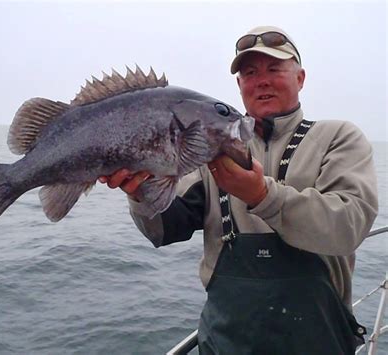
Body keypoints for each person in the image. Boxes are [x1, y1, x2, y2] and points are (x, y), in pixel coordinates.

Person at [100, 26, 378, 354]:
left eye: (274, 69)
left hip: (318, 340)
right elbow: (165, 228)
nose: (261, 80)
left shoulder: (338, 137)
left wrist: (262, 195)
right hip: (224, 342)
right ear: (239, 85)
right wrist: (140, 191)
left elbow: (348, 226)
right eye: (249, 73)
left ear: (300, 78)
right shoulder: (204, 152)